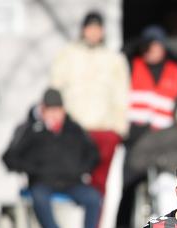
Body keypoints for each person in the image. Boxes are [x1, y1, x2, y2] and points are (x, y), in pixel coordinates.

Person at [2, 89, 101, 228]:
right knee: (39, 197)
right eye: (51, 110)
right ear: (43, 110)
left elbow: (93, 153)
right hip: (42, 182)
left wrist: (81, 170)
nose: (55, 115)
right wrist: (33, 170)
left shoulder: (74, 129)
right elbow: (10, 157)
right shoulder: (30, 129)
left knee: (93, 197)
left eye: (58, 110)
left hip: (72, 182)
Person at [115, 25, 177, 228]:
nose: (151, 50)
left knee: (163, 186)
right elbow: (122, 54)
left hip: (163, 138)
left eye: (155, 45)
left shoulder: (175, 70)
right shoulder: (132, 65)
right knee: (128, 186)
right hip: (136, 136)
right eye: (147, 45)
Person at [50, 10, 128, 200]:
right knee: (70, 180)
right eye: (90, 28)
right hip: (75, 128)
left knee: (98, 184)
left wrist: (119, 129)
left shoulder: (114, 59)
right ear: (83, 30)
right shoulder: (68, 55)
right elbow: (55, 89)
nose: (93, 33)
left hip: (104, 129)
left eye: (97, 29)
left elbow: (122, 96)